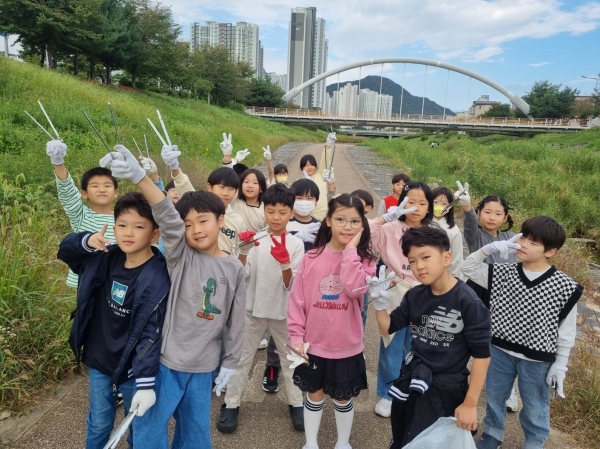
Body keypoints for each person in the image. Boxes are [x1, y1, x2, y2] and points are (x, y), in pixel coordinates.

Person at [101, 145, 247, 449]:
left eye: (203, 221)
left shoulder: (234, 267)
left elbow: (236, 320)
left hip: (204, 367)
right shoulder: (181, 256)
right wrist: (141, 177)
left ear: (221, 220)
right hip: (166, 363)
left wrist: (231, 362)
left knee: (195, 433)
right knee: (149, 429)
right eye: (188, 225)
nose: (196, 230)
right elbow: (166, 215)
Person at [57, 192, 170, 449]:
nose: (128, 232)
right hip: (100, 358)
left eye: (139, 227)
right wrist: (86, 241)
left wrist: (145, 382)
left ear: (155, 234)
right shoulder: (104, 256)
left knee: (137, 426)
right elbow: (66, 252)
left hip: (133, 367)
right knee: (98, 422)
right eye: (122, 225)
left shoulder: (159, 275)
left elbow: (152, 330)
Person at [462, 216, 583, 449]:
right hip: (499, 349)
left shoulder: (565, 286)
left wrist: (561, 363)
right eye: (523, 237)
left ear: (551, 252)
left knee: (535, 404)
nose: (523, 244)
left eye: (533, 242)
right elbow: (467, 268)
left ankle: (534, 442)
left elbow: (567, 330)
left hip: (538, 357)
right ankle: (492, 435)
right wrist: (488, 249)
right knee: (495, 397)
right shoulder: (502, 273)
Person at [373, 225, 491, 447]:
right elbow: (387, 328)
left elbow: (482, 356)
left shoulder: (468, 302)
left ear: (447, 258)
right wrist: (380, 306)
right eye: (413, 261)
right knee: (405, 435)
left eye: (426, 257)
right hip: (412, 379)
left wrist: (470, 404)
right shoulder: (415, 295)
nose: (419, 266)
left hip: (447, 388)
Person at [287, 194, 376, 449]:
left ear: (362, 225)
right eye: (340, 219)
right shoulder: (312, 257)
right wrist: (296, 336)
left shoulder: (365, 261)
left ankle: (343, 442)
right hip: (313, 345)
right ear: (328, 220)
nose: (347, 226)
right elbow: (297, 301)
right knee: (314, 395)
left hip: (346, 346)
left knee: (342, 398)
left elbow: (355, 288)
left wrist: (350, 252)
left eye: (355, 221)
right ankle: (311, 442)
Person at [217, 184, 306, 433]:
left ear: (291, 213)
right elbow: (240, 275)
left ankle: (297, 404)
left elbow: (292, 285)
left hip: (284, 312)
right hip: (251, 309)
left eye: (283, 212)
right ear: (264, 211)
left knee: (291, 360)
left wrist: (285, 264)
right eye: (271, 211)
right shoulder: (254, 239)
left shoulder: (296, 244)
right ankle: (231, 404)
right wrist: (244, 251)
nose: (276, 217)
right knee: (240, 358)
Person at [368, 181, 433, 418]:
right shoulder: (390, 228)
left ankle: (413, 388)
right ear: (401, 202)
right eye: (410, 202)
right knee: (392, 344)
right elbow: (364, 233)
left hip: (424, 292)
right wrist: (384, 218)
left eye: (422, 203)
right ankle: (388, 393)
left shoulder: (434, 232)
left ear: (429, 207)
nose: (415, 208)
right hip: (395, 289)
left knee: (420, 345)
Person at [455, 181, 520, 412]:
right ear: (480, 213)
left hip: (505, 294)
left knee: (503, 341)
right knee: (467, 335)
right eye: (487, 212)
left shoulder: (512, 237)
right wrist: (467, 206)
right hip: (477, 289)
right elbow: (470, 223)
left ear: (505, 217)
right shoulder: (476, 236)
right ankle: (457, 377)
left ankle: (509, 391)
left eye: (498, 213)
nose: (492, 217)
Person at [261, 178, 322, 394]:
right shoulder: (285, 223)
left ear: (316, 201)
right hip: (285, 285)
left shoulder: (319, 227)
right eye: (299, 197)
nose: (305, 202)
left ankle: (304, 367)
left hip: (310, 285)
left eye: (310, 198)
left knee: (309, 330)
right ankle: (272, 367)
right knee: (282, 330)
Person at [46, 139, 119, 288]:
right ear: (84, 194)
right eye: (95, 186)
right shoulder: (81, 215)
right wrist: (58, 162)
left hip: (113, 282)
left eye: (107, 185)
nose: (102, 189)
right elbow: (68, 193)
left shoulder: (124, 219)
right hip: (84, 282)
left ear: (116, 192)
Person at [160, 144, 251, 262]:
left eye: (231, 189)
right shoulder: (198, 207)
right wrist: (174, 167)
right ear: (210, 187)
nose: (226, 193)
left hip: (225, 269)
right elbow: (184, 184)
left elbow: (240, 253)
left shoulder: (237, 220)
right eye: (221, 187)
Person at [350, 189, 375, 329]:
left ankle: (360, 337)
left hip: (360, 265)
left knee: (362, 310)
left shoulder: (367, 224)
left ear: (368, 207)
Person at [431, 186, 464, 278]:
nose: (439, 206)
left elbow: (457, 258)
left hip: (444, 276)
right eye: (435, 202)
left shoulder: (453, 229)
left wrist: (455, 279)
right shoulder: (421, 224)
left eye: (444, 203)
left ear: (450, 206)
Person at [300, 143, 336, 221]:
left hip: (324, 212)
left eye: (311, 165)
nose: (309, 167)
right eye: (306, 165)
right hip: (309, 215)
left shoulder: (320, 174)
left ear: (316, 166)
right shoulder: (299, 182)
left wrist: (327, 148)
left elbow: (324, 161)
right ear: (302, 168)